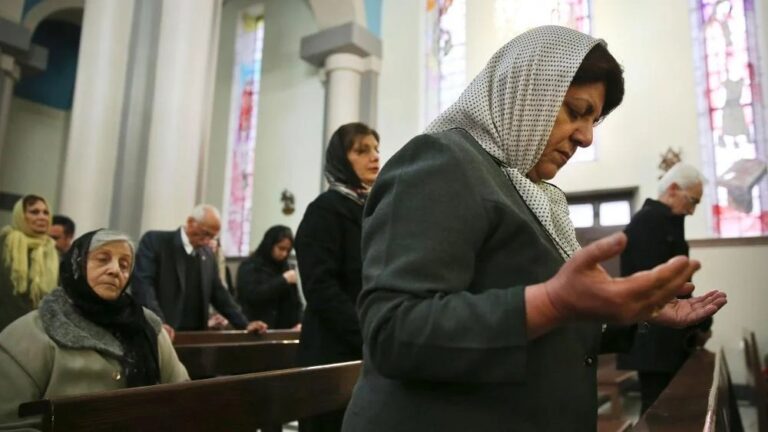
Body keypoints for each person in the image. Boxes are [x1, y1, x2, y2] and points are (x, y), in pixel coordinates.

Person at [340, 26, 727, 432]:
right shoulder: (442, 161)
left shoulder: (536, 196)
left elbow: (552, 330)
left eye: (594, 120)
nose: (586, 137)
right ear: (526, 92)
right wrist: (553, 302)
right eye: (576, 111)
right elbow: (394, 331)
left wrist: (633, 311)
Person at [0, 230, 189, 429]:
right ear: (76, 265)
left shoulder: (149, 327)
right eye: (102, 259)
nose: (115, 270)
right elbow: (9, 424)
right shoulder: (30, 333)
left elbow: (183, 397)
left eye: (124, 265)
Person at [295, 122, 380, 432]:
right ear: (341, 159)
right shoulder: (323, 211)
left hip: (369, 347)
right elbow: (320, 287)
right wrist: (368, 333)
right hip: (331, 349)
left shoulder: (373, 209)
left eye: (375, 148)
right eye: (362, 150)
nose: (374, 157)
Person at [617, 162, 712, 413]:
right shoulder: (650, 222)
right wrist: (701, 323)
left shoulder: (665, 221)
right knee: (659, 413)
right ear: (672, 189)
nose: (692, 211)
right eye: (693, 201)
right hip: (655, 336)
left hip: (665, 334)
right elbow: (662, 286)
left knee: (667, 410)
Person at [132, 204, 267, 340]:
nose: (207, 241)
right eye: (206, 234)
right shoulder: (156, 242)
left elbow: (219, 294)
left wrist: (245, 323)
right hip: (163, 333)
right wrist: (158, 324)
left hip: (195, 336)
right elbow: (144, 287)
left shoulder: (207, 255)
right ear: (191, 223)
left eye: (212, 237)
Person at [0, 195, 59, 331]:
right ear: (21, 216)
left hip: (37, 333)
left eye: (46, 212)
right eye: (34, 212)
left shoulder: (53, 252)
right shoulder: (5, 245)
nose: (42, 217)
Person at [237, 225, 302, 329]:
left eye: (287, 250)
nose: (284, 254)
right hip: (257, 328)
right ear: (270, 245)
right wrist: (283, 280)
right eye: (281, 248)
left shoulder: (285, 267)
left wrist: (299, 322)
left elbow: (295, 301)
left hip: (284, 329)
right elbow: (252, 294)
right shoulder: (250, 266)